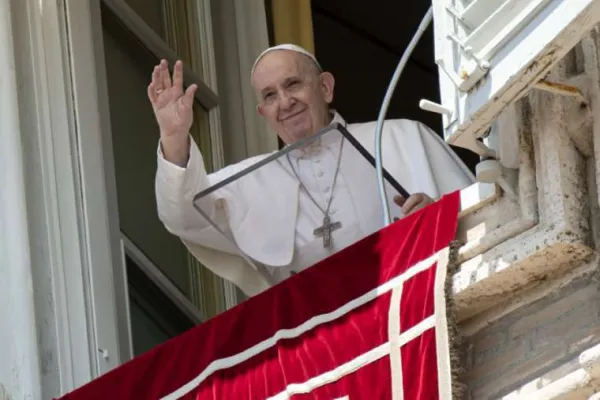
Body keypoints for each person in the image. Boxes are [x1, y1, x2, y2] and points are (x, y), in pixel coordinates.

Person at [150, 44, 474, 297]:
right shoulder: (251, 180)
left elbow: (482, 215)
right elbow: (184, 215)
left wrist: (440, 218)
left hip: (415, 301)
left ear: (326, 88)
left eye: (293, 84)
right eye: (270, 96)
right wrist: (174, 136)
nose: (285, 102)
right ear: (264, 113)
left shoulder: (402, 138)